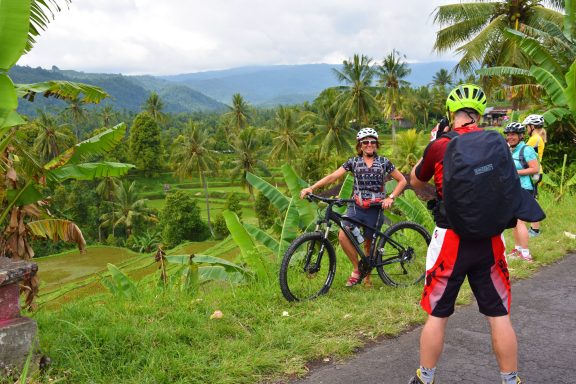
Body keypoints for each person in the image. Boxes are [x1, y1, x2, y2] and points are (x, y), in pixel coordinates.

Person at [408, 84, 522, 384]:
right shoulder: (495, 142)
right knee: (498, 315)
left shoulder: (440, 144)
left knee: (438, 314)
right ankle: (511, 380)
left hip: (451, 239)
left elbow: (415, 181)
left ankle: (425, 378)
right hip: (490, 238)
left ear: (451, 113)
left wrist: (435, 196)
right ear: (479, 114)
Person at [300, 127, 407, 287]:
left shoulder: (384, 162)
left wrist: (390, 197)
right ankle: (357, 270)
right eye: (365, 142)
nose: (369, 145)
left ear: (376, 144)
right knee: (344, 235)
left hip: (375, 209)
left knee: (368, 244)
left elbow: (402, 180)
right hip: (356, 207)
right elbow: (333, 176)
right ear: (360, 145)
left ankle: (368, 278)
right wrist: (312, 188)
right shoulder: (353, 162)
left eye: (372, 142)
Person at [504, 122, 540, 262]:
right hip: (513, 189)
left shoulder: (526, 149)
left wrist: (515, 172)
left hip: (524, 189)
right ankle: (518, 249)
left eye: (513, 134)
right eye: (508, 135)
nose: (510, 137)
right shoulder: (511, 150)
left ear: (520, 135)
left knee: (520, 222)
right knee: (514, 222)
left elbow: (535, 169)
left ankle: (526, 254)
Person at [523, 114, 546, 237]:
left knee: (532, 200)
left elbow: (522, 151)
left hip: (534, 173)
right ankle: (534, 228)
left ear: (532, 126)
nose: (526, 129)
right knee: (532, 198)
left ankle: (535, 230)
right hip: (537, 172)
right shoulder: (538, 137)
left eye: (527, 126)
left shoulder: (534, 138)